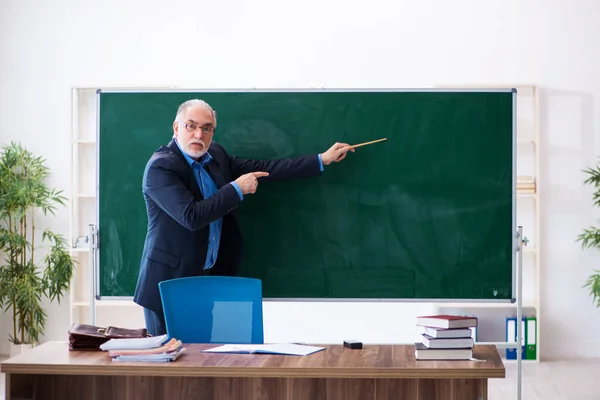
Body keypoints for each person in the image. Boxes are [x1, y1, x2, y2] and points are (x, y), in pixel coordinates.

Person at [133, 99, 354, 336]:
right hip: (168, 285)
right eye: (191, 126)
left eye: (207, 128)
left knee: (201, 360)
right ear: (176, 128)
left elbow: (264, 168)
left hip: (205, 282)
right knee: (168, 364)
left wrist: (321, 159)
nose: (199, 134)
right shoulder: (161, 167)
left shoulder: (215, 155)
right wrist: (236, 189)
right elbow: (191, 216)